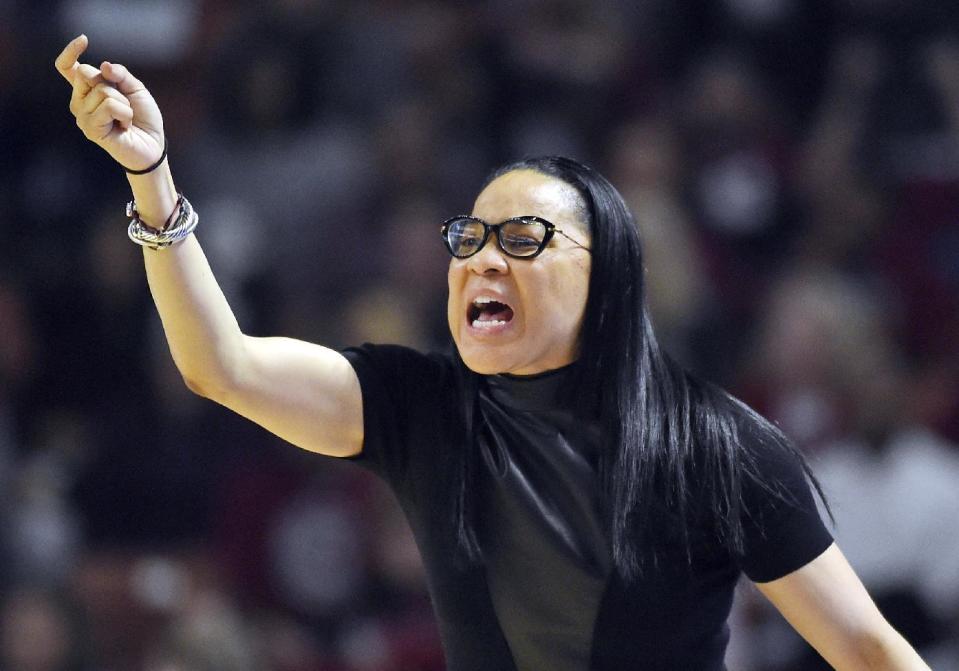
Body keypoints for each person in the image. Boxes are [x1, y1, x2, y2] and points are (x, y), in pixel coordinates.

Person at [55, 35, 930, 671]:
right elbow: (221, 365)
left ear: (608, 277)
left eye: (521, 237)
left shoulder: (718, 444)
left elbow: (864, 648)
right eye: (468, 235)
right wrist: (153, 179)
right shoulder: (421, 408)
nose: (478, 255)